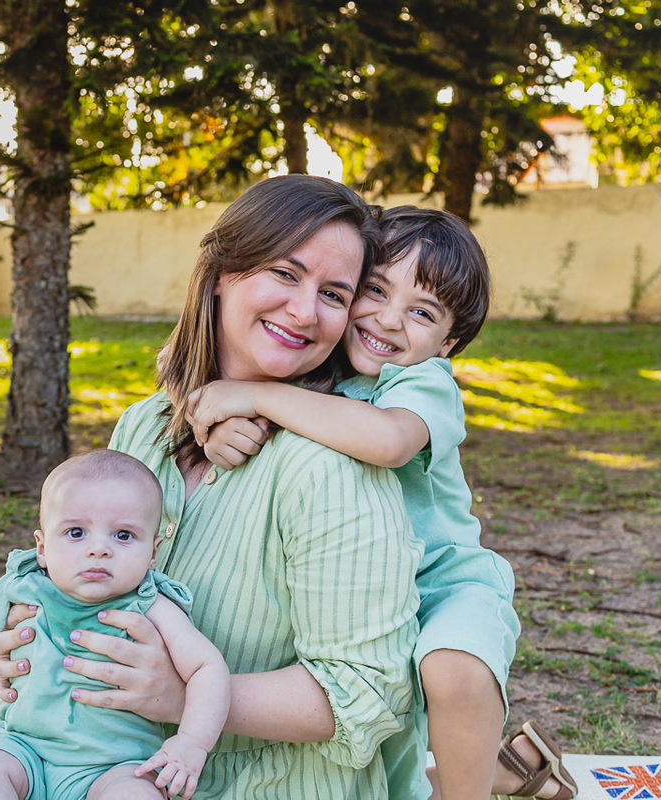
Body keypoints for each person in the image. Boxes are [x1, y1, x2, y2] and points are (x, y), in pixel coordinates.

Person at [0, 174, 426, 799]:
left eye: (334, 293)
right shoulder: (146, 425)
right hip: (101, 751)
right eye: (284, 273)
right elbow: (96, 579)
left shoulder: (332, 467)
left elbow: (366, 692)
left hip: (257, 775)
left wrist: (178, 695)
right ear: (223, 272)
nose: (305, 312)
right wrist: (33, 643)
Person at [184, 206, 578, 800]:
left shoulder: (422, 383)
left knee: (453, 672)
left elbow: (389, 441)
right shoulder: (319, 369)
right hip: (360, 600)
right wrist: (220, 426)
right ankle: (508, 770)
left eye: (421, 312)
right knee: (382, 770)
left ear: (446, 343)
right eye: (374, 290)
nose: (389, 321)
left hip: (439, 583)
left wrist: (251, 394)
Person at [0, 450, 230, 800]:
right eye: (76, 532)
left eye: (122, 535)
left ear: (153, 552)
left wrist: (191, 742)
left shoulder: (151, 606)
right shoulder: (26, 589)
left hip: (114, 764)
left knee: (137, 792)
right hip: (24, 748)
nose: (98, 549)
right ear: (42, 548)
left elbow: (206, 667)